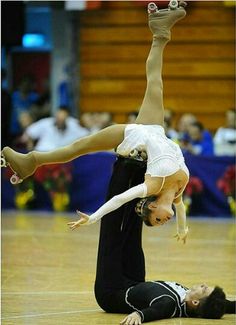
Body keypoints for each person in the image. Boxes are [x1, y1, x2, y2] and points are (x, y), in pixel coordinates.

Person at [2, 1, 190, 240]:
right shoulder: (178, 191)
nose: (166, 220)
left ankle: (31, 161)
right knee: (156, 81)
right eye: (164, 222)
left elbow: (120, 199)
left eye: (158, 220)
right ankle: (160, 31)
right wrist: (182, 229)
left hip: (130, 135)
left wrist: (93, 217)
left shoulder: (152, 187)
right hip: (154, 128)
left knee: (78, 148)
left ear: (152, 206)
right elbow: (181, 208)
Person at [69, 155, 236, 324]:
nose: (203, 284)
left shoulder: (170, 304)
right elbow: (227, 305)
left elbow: (157, 310)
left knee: (112, 230)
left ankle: (122, 166)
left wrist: (139, 316)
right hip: (134, 281)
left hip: (112, 291)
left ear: (194, 302)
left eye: (204, 288)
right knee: (133, 229)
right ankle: (140, 168)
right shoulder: (198, 301)